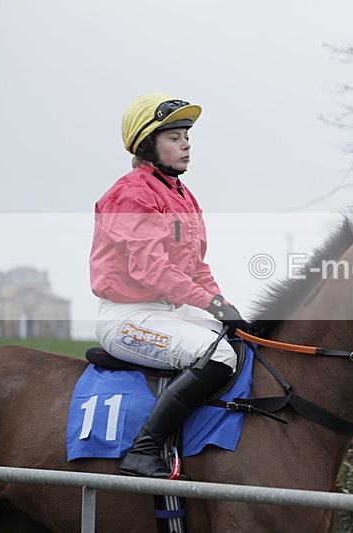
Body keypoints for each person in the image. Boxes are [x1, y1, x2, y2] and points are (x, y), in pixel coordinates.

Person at [90, 93, 247, 478]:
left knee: (241, 341)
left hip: (168, 310)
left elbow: (195, 267)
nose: (187, 144)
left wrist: (224, 305)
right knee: (219, 357)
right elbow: (150, 270)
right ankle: (143, 450)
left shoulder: (182, 196)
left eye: (187, 136)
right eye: (174, 137)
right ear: (148, 145)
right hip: (127, 317)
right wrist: (209, 303)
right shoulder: (131, 193)